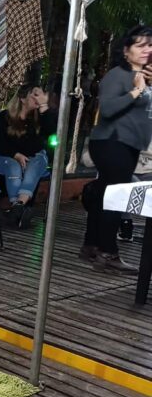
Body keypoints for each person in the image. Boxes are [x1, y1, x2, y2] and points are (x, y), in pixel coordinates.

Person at [81, 25, 152, 274]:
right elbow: (109, 110)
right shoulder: (117, 75)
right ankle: (107, 253)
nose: (147, 50)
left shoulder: (142, 75)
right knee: (115, 197)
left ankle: (91, 245)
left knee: (104, 193)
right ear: (126, 50)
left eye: (150, 45)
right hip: (112, 142)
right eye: (140, 45)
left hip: (128, 144)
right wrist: (137, 90)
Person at [0, 84, 56, 229]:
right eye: (35, 95)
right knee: (14, 166)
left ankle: (17, 207)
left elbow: (52, 132)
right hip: (5, 154)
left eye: (41, 95)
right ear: (22, 98)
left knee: (35, 164)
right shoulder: (5, 116)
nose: (38, 98)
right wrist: (16, 154)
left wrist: (44, 107)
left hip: (32, 155)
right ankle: (20, 210)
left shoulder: (40, 117)